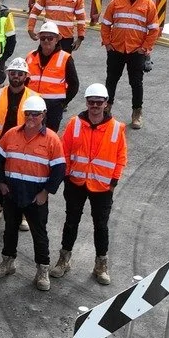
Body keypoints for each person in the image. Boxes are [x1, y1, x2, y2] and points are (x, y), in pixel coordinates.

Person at [0, 93, 65, 290]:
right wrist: (1, 183)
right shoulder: (11, 134)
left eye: (35, 114)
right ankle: (7, 262)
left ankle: (42, 269)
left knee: (39, 234)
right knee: (10, 229)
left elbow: (59, 170)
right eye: (28, 114)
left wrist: (45, 193)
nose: (30, 118)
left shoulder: (52, 140)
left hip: (35, 196)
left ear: (43, 115)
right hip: (12, 193)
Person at [56, 82, 127, 284]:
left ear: (106, 103)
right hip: (76, 183)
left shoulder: (116, 128)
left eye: (99, 102)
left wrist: (113, 182)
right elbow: (64, 150)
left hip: (102, 187)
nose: (95, 105)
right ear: (86, 102)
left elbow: (121, 157)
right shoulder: (75, 123)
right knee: (71, 222)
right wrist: (67, 175)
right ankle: (64, 259)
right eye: (91, 102)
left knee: (101, 226)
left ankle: (100, 265)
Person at [99, 0, 159, 130]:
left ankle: (137, 113)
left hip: (136, 52)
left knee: (136, 83)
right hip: (116, 49)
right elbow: (105, 24)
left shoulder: (148, 5)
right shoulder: (116, 2)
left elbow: (154, 30)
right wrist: (107, 43)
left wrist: (144, 48)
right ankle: (106, 109)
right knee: (111, 80)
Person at [26, 22, 73, 131]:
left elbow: (74, 84)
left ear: (56, 40)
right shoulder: (31, 56)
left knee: (49, 137)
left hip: (53, 108)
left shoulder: (65, 58)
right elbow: (24, 80)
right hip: (32, 105)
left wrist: (62, 104)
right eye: (43, 38)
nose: (46, 41)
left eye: (50, 38)